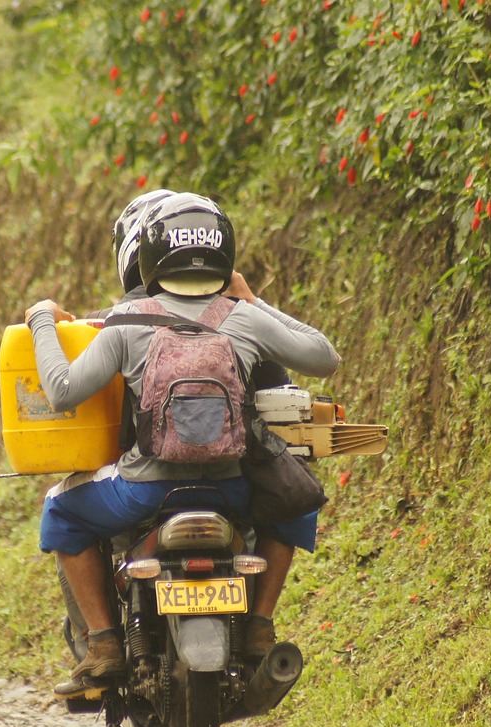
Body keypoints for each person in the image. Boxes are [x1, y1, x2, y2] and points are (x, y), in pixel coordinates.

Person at [24, 192, 340, 695]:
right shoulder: (244, 318)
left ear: (146, 255)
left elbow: (62, 392)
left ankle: (105, 643)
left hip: (144, 491)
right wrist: (253, 300)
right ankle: (259, 626)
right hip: (230, 490)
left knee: (61, 511)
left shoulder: (124, 323)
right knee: (295, 500)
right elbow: (324, 357)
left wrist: (42, 318)